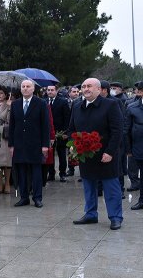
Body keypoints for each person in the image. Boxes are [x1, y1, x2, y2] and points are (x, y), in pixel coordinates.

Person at [71, 78, 124, 230]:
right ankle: (90, 214)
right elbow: (71, 130)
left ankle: (115, 217)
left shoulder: (111, 105)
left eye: (89, 86)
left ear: (99, 89)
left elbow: (117, 131)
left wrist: (110, 152)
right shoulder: (76, 106)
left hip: (106, 155)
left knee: (111, 187)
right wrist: (74, 146)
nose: (86, 89)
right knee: (88, 186)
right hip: (85, 155)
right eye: (83, 86)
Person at [8, 80, 50, 208]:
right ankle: (24, 197)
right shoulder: (15, 104)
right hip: (19, 144)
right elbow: (12, 125)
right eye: (23, 86)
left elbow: (45, 125)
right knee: (21, 172)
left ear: (33, 89)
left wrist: (45, 145)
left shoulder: (41, 103)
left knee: (36, 172)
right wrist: (11, 144)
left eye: (28, 86)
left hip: (35, 143)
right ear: (20, 89)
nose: (25, 88)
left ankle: (37, 198)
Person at [46, 84, 71, 182]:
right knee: (50, 154)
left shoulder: (63, 101)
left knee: (61, 154)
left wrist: (65, 132)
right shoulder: (44, 102)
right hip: (48, 132)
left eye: (52, 90)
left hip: (60, 132)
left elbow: (67, 118)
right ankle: (51, 174)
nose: (50, 92)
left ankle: (62, 173)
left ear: (56, 91)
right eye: (48, 90)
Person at [125, 81, 143, 210]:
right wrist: (129, 149)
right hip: (139, 148)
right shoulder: (132, 108)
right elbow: (126, 130)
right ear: (140, 92)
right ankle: (142, 200)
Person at [0, 89, 12, 194]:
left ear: (5, 95)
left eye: (1, 93)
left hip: (6, 133)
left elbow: (9, 119)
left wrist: (9, 107)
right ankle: (0, 183)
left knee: (7, 161)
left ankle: (7, 183)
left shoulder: (9, 104)